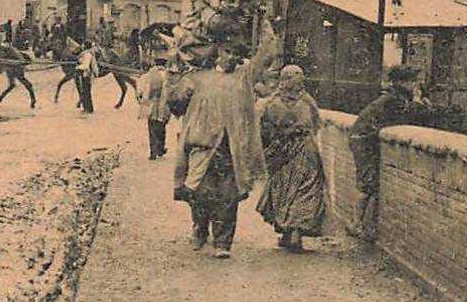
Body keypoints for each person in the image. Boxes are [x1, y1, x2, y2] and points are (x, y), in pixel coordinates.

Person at [167, 20, 279, 258]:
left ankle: (223, 243)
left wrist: (263, 20)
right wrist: (175, 76)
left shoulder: (244, 77)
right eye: (227, 52)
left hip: (231, 147)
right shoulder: (197, 77)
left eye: (235, 54)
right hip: (202, 145)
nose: (230, 58)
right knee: (199, 193)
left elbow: (267, 53)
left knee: (228, 197)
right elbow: (175, 103)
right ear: (217, 51)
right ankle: (200, 227)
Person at [256, 64, 327, 252]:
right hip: (305, 150)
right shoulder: (307, 101)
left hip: (281, 152)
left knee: (284, 190)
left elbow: (263, 129)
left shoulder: (271, 102)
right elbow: (316, 124)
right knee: (305, 189)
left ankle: (288, 232)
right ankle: (295, 234)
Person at [349, 65, 422, 241]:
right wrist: (418, 102)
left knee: (371, 185)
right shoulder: (392, 100)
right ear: (401, 83)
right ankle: (355, 224)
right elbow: (407, 118)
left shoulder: (393, 97)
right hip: (364, 142)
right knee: (367, 185)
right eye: (412, 82)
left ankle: (365, 226)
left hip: (364, 140)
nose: (414, 85)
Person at [137, 54, 171, 160]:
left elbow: (141, 87)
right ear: (165, 64)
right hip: (164, 104)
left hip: (152, 104)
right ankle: (160, 149)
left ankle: (153, 151)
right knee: (162, 126)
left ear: (155, 63)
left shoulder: (149, 75)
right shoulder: (169, 75)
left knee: (152, 127)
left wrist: (141, 98)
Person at [75, 40, 98, 114]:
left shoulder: (87, 54)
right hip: (86, 75)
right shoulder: (88, 53)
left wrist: (78, 67)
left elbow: (85, 66)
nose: (82, 46)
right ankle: (87, 108)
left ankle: (88, 109)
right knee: (85, 91)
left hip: (86, 75)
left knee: (86, 92)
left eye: (84, 45)